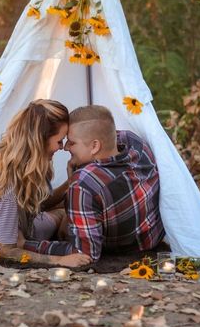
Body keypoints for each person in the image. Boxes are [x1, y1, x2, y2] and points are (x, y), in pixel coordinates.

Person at [22, 105, 164, 261]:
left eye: (72, 142)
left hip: (125, 252)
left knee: (56, 219)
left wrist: (26, 245)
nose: (66, 147)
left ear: (95, 146)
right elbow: (105, 132)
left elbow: (85, 254)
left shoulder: (84, 183)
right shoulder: (135, 143)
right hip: (151, 239)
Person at [0, 99, 91, 268]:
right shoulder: (6, 181)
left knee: (65, 205)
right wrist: (60, 261)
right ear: (41, 140)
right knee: (64, 213)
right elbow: (7, 250)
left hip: (22, 221)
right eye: (59, 141)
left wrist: (71, 182)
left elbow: (39, 205)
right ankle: (61, 246)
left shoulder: (23, 162)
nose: (62, 147)